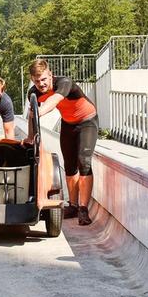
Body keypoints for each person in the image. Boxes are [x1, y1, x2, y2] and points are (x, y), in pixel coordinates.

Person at [29, 58, 98, 226]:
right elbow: (31, 116)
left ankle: (83, 209)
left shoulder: (64, 83)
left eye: (44, 79)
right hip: (68, 124)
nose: (41, 84)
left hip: (87, 121)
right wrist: (31, 138)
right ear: (32, 80)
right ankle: (73, 206)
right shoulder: (33, 92)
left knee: (84, 162)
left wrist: (40, 112)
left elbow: (54, 101)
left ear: (50, 75)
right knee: (69, 165)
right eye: (37, 81)